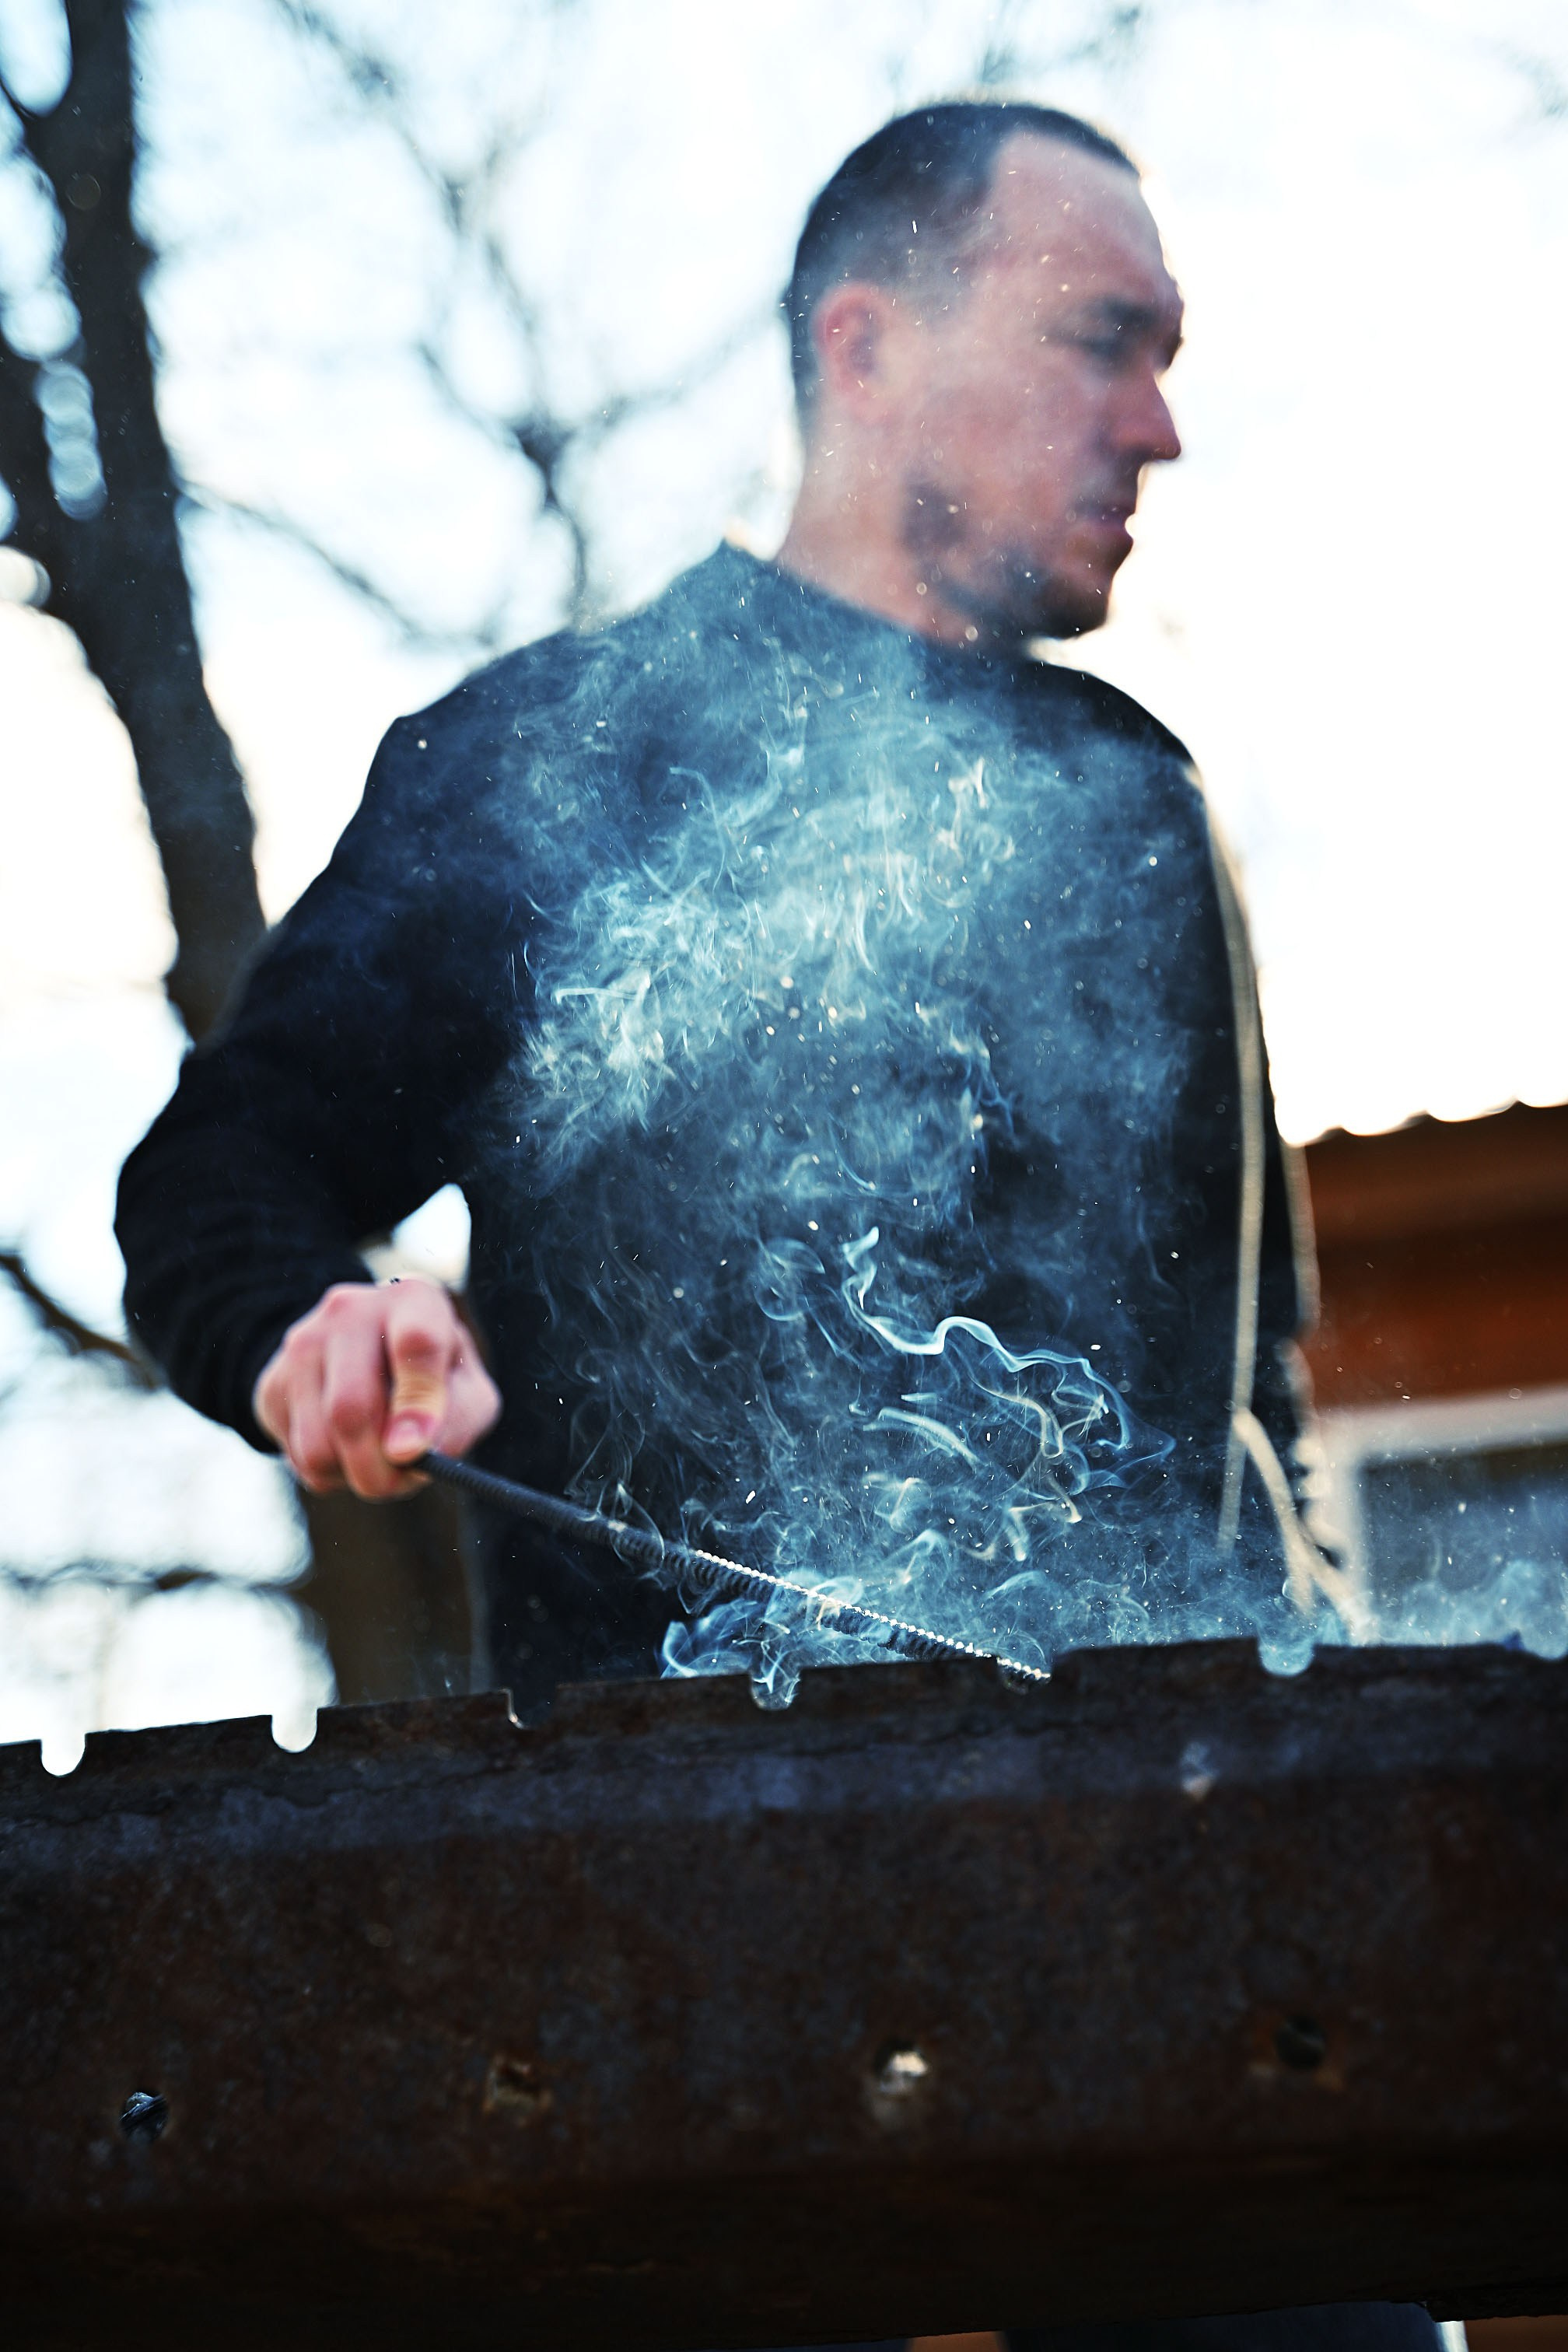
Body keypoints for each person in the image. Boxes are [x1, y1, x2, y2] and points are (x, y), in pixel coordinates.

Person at [117, 101, 1433, 2345]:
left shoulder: (1136, 803)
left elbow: (1256, 1403)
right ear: (868, 341)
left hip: (1153, 1902)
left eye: (1169, 357)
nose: (1162, 425)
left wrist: (1331, 1790)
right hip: (671, 1918)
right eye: (1104, 341)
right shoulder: (547, 763)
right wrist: (315, 1321)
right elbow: (224, 1173)